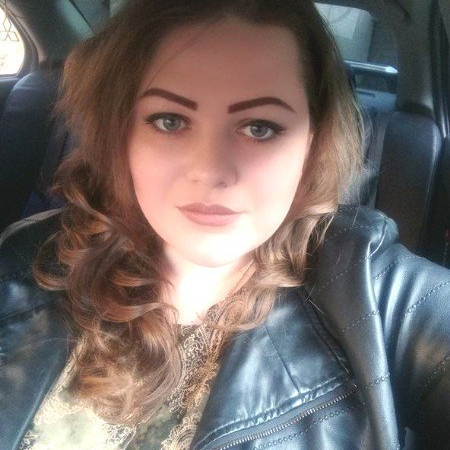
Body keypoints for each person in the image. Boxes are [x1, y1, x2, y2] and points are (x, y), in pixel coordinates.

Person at [1, 0, 449, 449]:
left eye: (260, 128)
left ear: (311, 144)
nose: (211, 171)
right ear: (122, 135)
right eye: (169, 121)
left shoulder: (376, 295)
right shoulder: (24, 263)